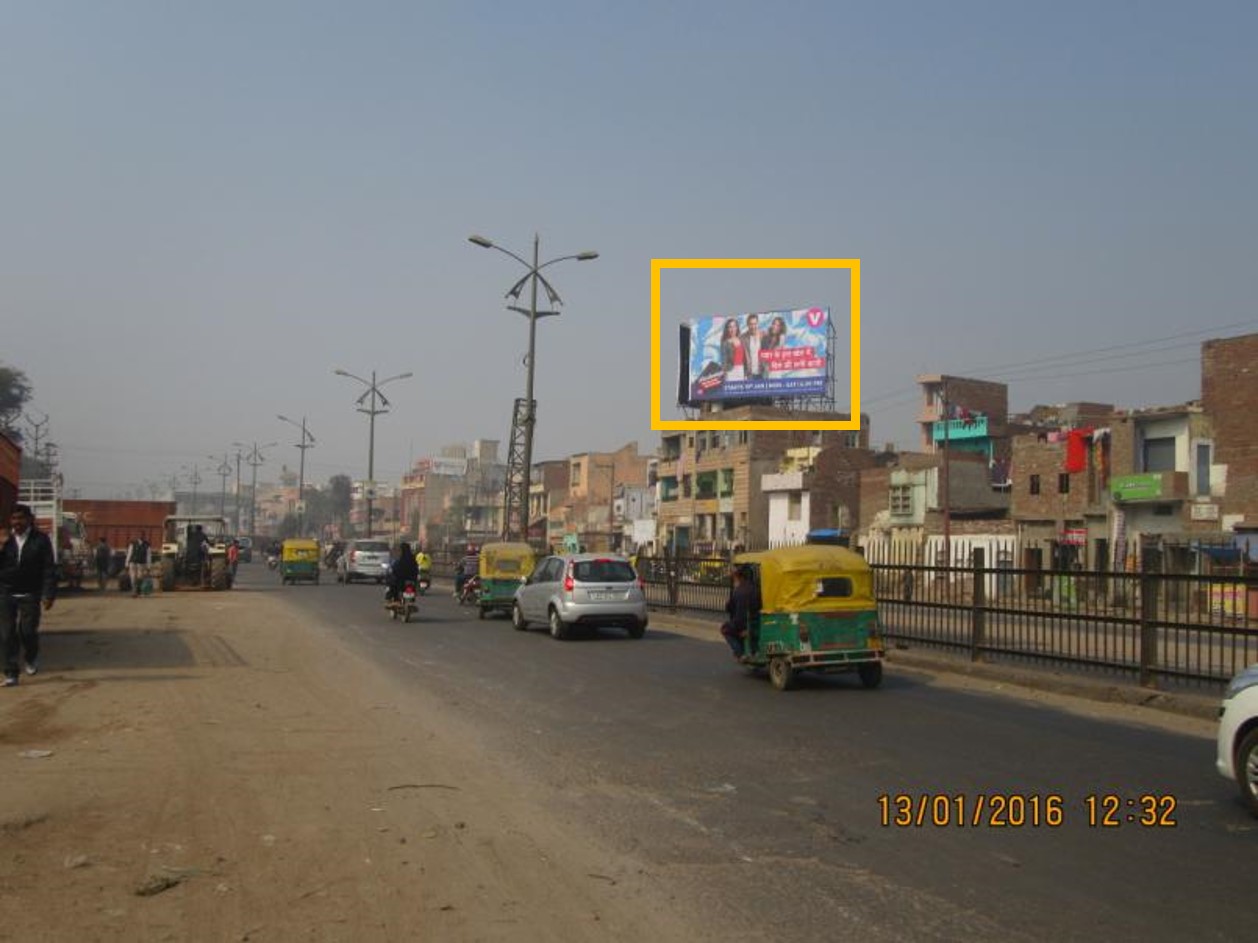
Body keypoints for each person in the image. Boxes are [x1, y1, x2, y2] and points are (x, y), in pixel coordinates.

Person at [0, 505, 58, 686]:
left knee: (27, 631)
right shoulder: (5, 540)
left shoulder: (40, 540)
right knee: (6, 634)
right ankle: (11, 673)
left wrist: (48, 594)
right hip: (5, 592)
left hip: (30, 593)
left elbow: (49, 568)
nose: (17, 522)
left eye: (20, 518)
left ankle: (31, 657)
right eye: (14, 519)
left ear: (29, 519)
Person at [719, 564, 761, 661]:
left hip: (746, 624)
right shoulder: (756, 589)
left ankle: (740, 653)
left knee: (725, 629)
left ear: (739, 577)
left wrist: (741, 628)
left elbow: (738, 615)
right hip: (756, 621)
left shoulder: (739, 591)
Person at [741, 312, 764, 379]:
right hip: (749, 374)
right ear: (747, 325)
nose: (753, 326)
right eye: (751, 324)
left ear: (758, 323)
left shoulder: (764, 335)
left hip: (762, 373)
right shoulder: (743, 338)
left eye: (755, 324)